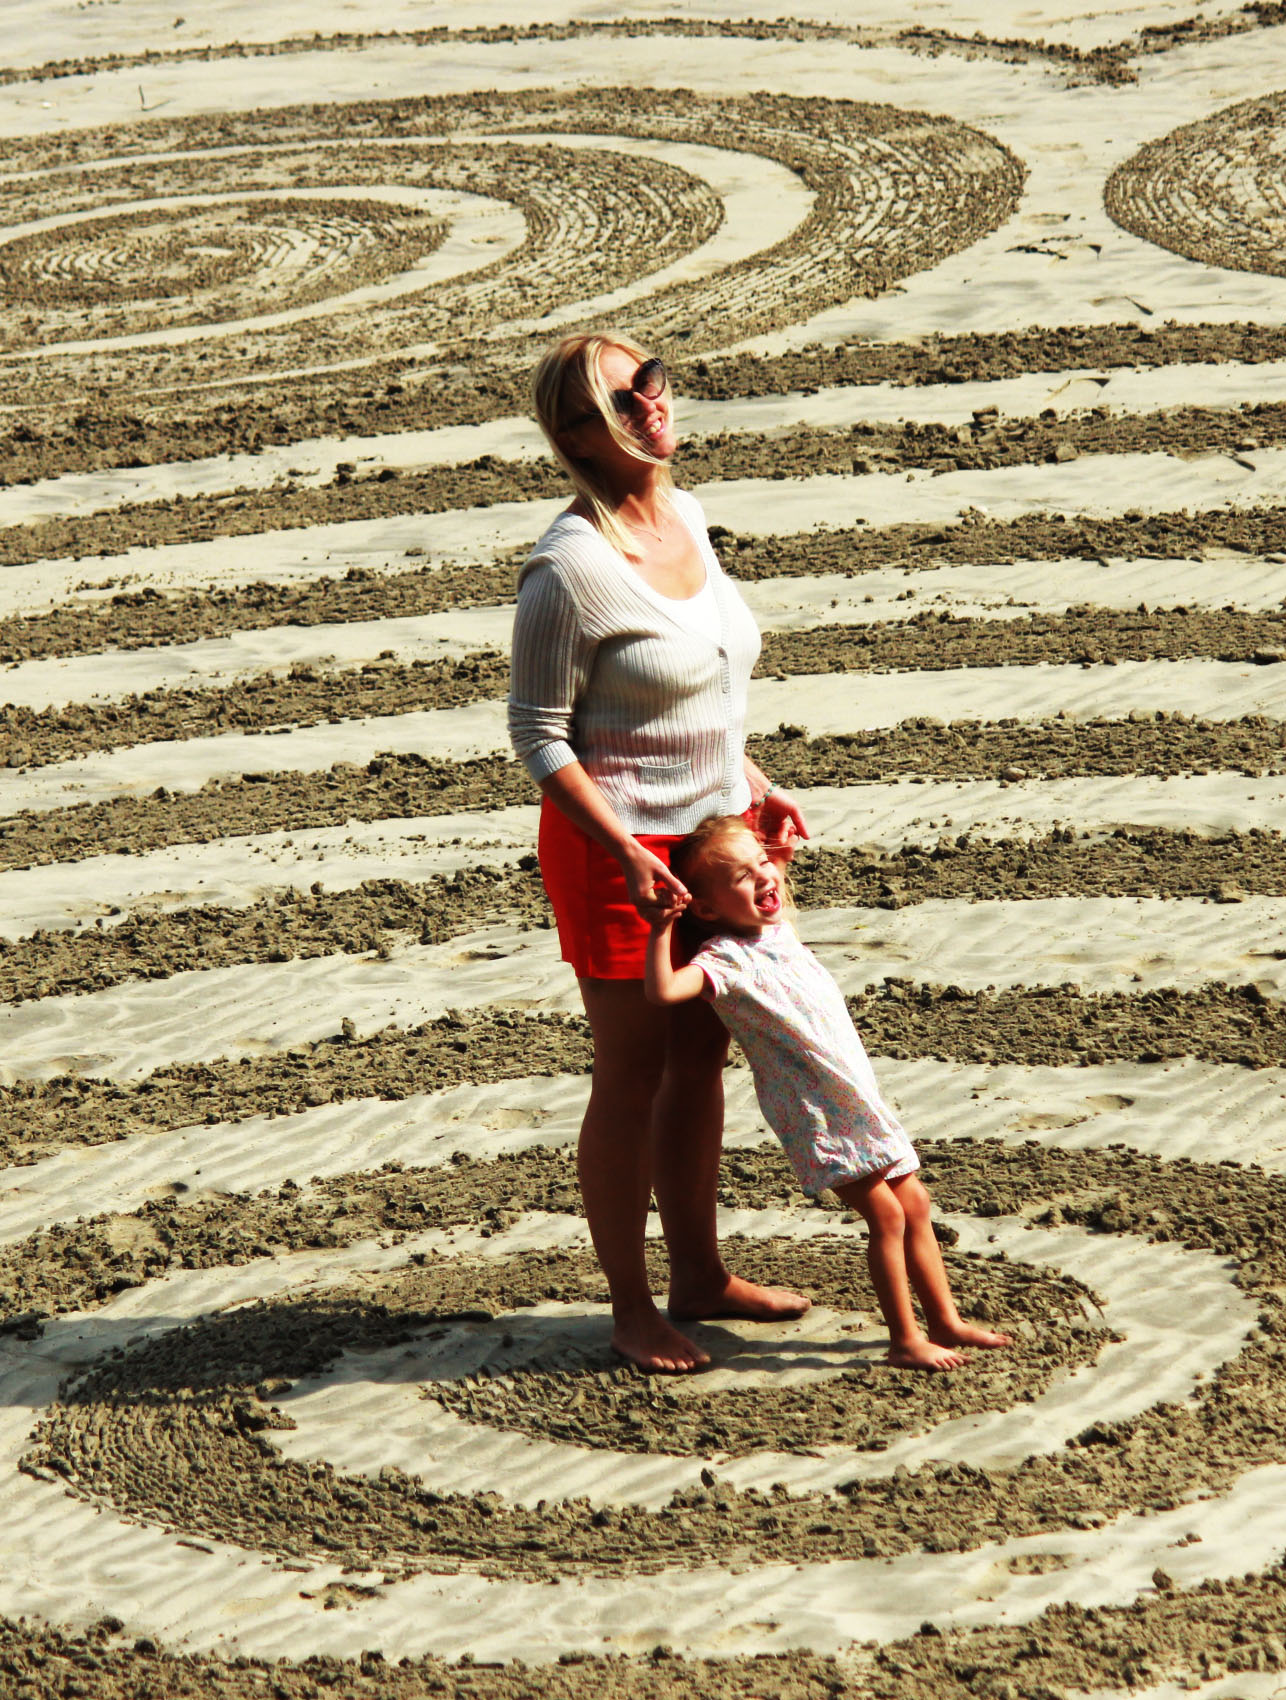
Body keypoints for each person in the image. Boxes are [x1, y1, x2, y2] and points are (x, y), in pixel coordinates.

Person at [509, 330, 811, 1374]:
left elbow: (705, 687)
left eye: (651, 381)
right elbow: (539, 736)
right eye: (620, 399)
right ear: (575, 437)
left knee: (701, 1058)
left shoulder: (687, 516)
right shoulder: (568, 569)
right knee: (632, 1072)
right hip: (620, 849)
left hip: (712, 835)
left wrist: (753, 783)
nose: (651, 403)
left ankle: (699, 1273)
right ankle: (633, 1305)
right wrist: (630, 854)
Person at [644, 815, 1013, 1371]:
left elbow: (773, 871)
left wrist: (775, 848)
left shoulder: (775, 929)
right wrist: (661, 928)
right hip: (816, 1110)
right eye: (742, 877)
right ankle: (905, 1339)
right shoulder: (724, 959)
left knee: (915, 1203)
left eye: (762, 864)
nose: (763, 877)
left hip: (856, 1096)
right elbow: (664, 990)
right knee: (886, 1216)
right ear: (707, 909)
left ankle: (945, 1321)